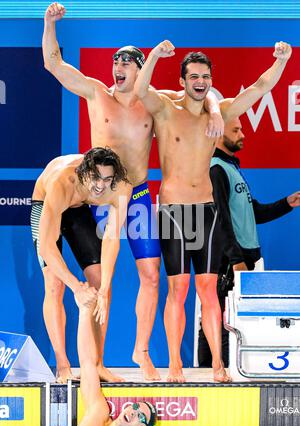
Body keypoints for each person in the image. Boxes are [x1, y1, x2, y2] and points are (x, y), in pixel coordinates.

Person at [42, 2, 224, 381]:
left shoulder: (154, 102)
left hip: (136, 195)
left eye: (127, 62)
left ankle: (140, 350)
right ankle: (89, 363)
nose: (118, 68)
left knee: (152, 276)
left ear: (140, 69)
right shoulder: (96, 92)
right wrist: (48, 24)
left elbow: (202, 93)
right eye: (115, 62)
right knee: (90, 284)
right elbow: (54, 64)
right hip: (96, 199)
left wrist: (217, 109)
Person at [134, 39, 292, 383]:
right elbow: (140, 88)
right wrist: (155, 57)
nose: (200, 81)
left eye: (205, 76)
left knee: (208, 290)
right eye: (193, 76)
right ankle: (175, 363)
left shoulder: (218, 112)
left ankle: (218, 364)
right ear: (183, 80)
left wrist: (281, 60)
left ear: (210, 79)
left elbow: (259, 88)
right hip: (175, 212)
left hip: (206, 211)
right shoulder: (164, 109)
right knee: (178, 289)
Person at [198, 117, 300, 367]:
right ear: (219, 134)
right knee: (222, 319)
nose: (243, 134)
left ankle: (231, 370)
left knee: (237, 320)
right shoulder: (216, 169)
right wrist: (235, 259)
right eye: (236, 130)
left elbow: (254, 213)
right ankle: (206, 375)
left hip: (247, 259)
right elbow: (219, 218)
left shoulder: (232, 168)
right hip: (231, 261)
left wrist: (287, 203)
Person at [31, 147, 132, 383]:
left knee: (99, 284)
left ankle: (98, 364)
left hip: (79, 209)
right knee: (55, 284)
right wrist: (77, 286)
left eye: (107, 179)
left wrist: (105, 288)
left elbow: (112, 238)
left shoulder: (121, 187)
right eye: (96, 178)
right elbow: (47, 246)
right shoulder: (62, 181)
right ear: (84, 171)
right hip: (47, 202)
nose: (100, 186)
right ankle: (63, 365)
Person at [73, 298, 157, 426]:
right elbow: (87, 362)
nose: (133, 413)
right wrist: (84, 311)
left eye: (141, 417)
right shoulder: (98, 413)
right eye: (135, 407)